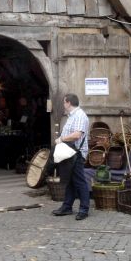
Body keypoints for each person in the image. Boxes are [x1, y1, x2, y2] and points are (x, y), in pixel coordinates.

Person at [52, 93, 90, 221]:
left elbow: (77, 135)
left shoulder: (79, 115)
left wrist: (61, 139)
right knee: (70, 181)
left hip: (76, 153)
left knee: (79, 181)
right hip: (70, 153)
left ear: (68, 103)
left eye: (64, 102)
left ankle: (84, 209)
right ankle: (67, 207)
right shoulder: (72, 116)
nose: (63, 104)